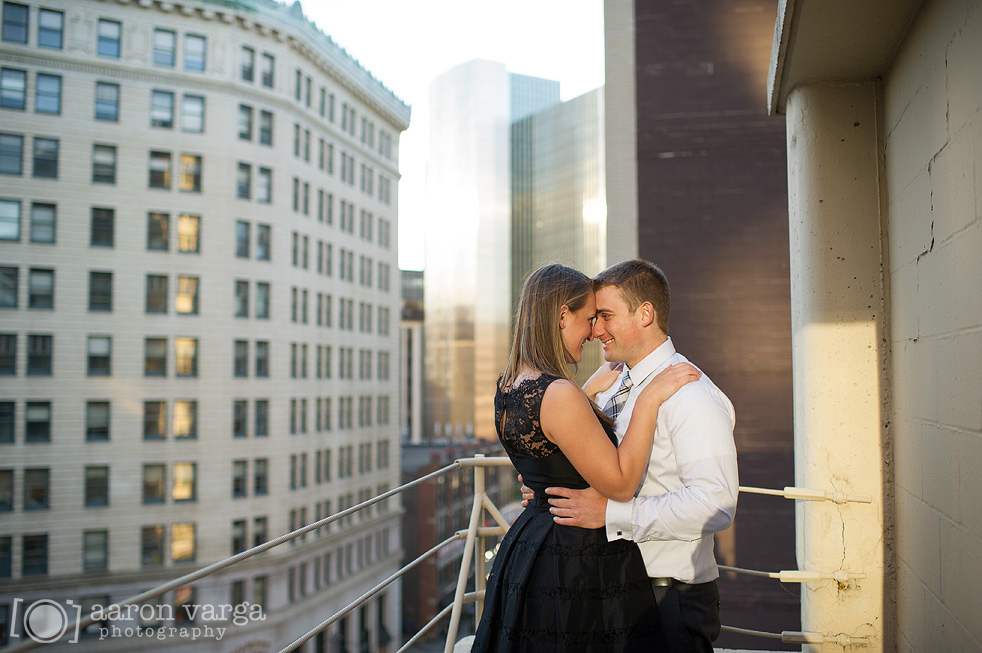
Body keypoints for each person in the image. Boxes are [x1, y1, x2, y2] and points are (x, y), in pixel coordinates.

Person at [471, 263, 702, 653]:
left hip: (530, 547)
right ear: (563, 316)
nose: (594, 333)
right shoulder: (559, 394)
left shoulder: (509, 385)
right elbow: (622, 483)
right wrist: (648, 399)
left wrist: (587, 393)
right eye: (589, 318)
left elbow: (547, 456)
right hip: (574, 558)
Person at [541, 259, 739, 653]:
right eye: (595, 318)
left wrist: (612, 514)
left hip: (667, 599)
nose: (596, 330)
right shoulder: (616, 383)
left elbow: (715, 503)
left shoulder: (690, 393)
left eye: (606, 316)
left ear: (645, 313)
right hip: (619, 590)